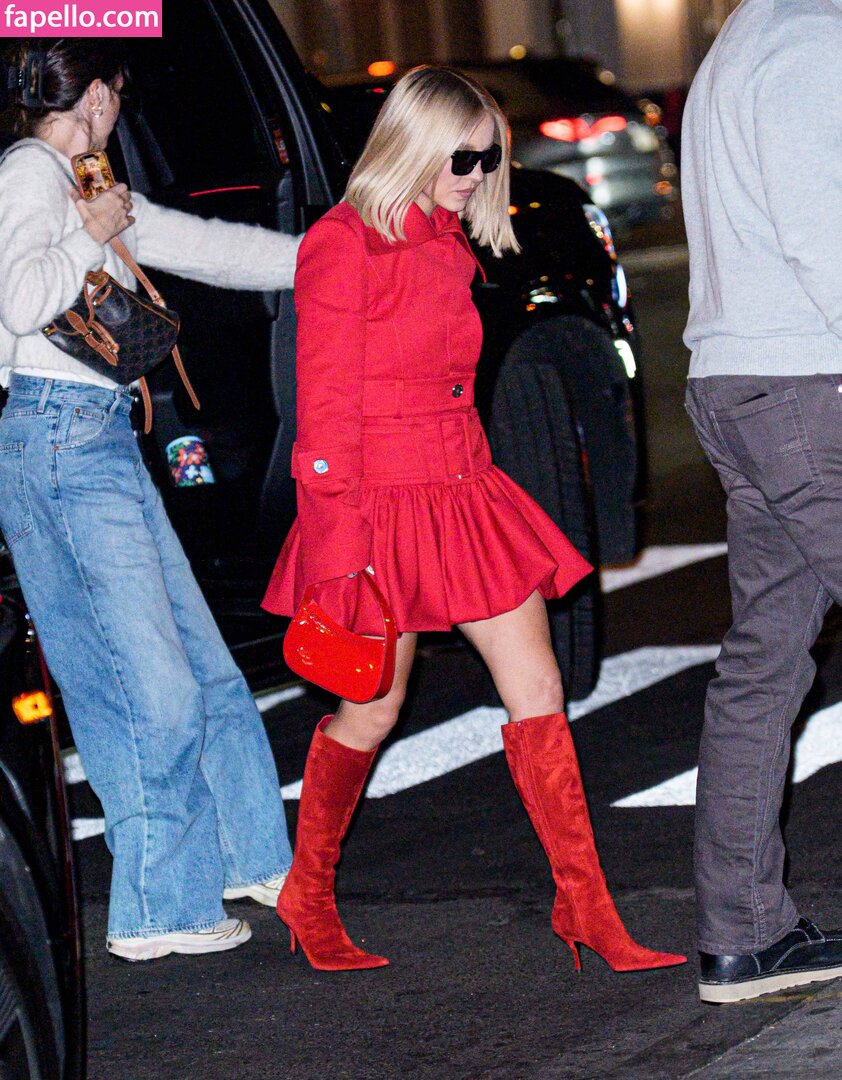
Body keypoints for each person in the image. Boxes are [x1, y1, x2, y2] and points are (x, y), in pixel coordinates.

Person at [262, 65, 687, 974]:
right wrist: (337, 552)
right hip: (377, 507)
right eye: (463, 157)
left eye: (489, 157)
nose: (478, 173)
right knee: (371, 709)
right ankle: (308, 892)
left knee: (539, 690)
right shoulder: (342, 244)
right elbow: (324, 417)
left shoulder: (449, 239)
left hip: (461, 493)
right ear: (412, 145)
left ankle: (586, 906)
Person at [0, 39, 301, 961]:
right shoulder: (29, 174)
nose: (119, 110)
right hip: (60, 441)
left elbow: (197, 244)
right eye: (117, 95)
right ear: (95, 95)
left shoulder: (80, 179)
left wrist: (327, 257)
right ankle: (158, 907)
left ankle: (254, 856)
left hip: (94, 440)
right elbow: (18, 300)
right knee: (147, 689)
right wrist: (88, 234)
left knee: (205, 670)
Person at [682, 0, 842, 1004]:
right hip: (807, 385)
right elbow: (825, 232)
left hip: (738, 380)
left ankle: (742, 935)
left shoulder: (745, 35)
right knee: (763, 665)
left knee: (763, 663)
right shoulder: (812, 36)